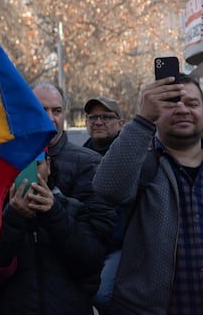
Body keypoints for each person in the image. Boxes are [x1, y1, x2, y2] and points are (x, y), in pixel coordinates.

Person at [93, 74, 203, 314]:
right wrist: (142, 120)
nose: (183, 109)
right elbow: (106, 187)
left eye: (192, 104)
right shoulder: (142, 163)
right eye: (171, 103)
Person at [0, 152, 106, 315]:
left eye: (37, 165)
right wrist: (14, 217)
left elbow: (91, 262)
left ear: (48, 166)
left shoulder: (73, 208)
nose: (31, 175)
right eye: (21, 166)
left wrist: (53, 213)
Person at [31, 83, 114, 248]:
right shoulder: (12, 160)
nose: (50, 118)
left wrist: (54, 206)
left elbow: (96, 240)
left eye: (57, 111)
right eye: (41, 110)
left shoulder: (90, 163)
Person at [82, 96, 125, 315]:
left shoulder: (131, 156)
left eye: (106, 117)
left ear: (121, 123)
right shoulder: (80, 156)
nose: (98, 122)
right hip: (86, 244)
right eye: (93, 117)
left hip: (119, 247)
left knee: (102, 296)